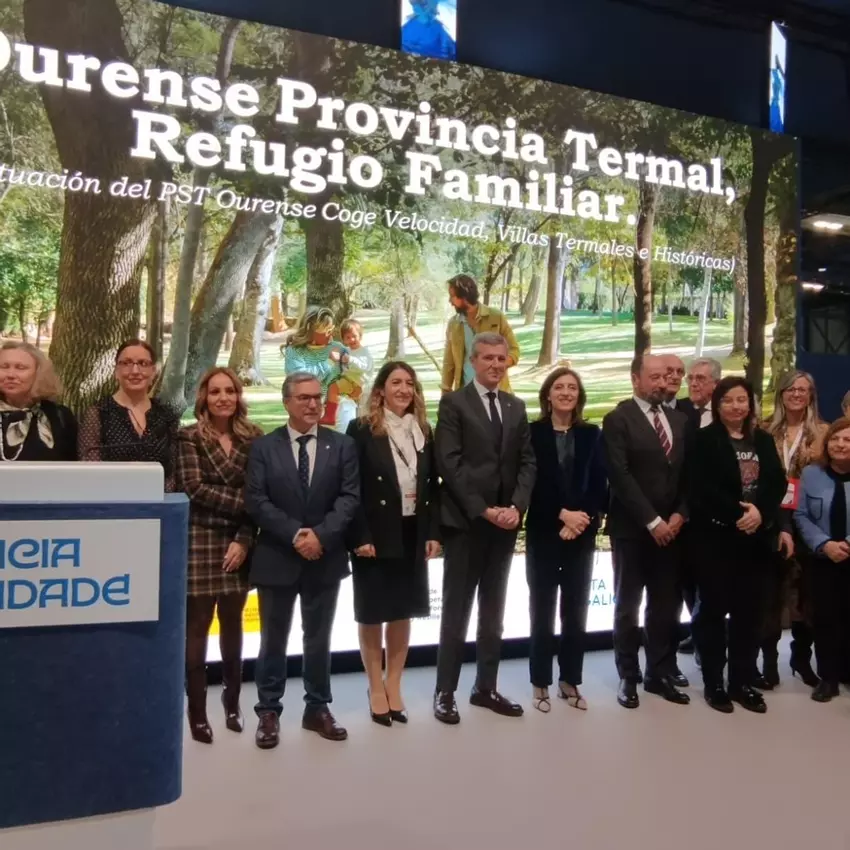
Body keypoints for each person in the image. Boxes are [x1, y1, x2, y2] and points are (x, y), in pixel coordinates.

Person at [245, 372, 359, 747]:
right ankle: (268, 711)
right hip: (278, 555)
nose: (313, 404)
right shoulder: (264, 447)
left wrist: (320, 536)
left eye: (317, 397)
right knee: (273, 640)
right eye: (304, 398)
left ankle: (317, 708)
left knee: (319, 638)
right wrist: (296, 534)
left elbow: (349, 498)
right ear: (286, 403)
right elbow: (257, 501)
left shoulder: (342, 446)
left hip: (324, 557)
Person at [433, 332, 536, 724]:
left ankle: (485, 688)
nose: (495, 364)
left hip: (504, 526)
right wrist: (483, 510)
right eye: (488, 358)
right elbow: (449, 463)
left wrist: (516, 507)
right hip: (466, 524)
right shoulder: (454, 403)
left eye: (501, 358)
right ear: (473, 361)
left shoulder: (515, 406)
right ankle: (445, 692)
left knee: (494, 612)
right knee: (456, 612)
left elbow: (527, 462)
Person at [346, 362, 441, 725]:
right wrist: (360, 536)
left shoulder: (424, 430)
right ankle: (375, 687)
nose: (404, 389)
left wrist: (433, 532)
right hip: (374, 534)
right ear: (380, 390)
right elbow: (351, 487)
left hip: (412, 531)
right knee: (373, 612)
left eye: (409, 383)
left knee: (403, 610)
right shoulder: (361, 429)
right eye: (396, 382)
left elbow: (433, 487)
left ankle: (394, 685)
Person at [174, 368, 264, 745]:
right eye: (215, 392)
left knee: (232, 624)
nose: (223, 397)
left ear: (238, 396)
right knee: (197, 627)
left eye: (230, 390)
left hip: (238, 541)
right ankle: (196, 710)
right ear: (204, 398)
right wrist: (250, 504)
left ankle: (232, 702)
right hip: (198, 538)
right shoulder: (188, 436)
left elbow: (261, 489)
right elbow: (194, 488)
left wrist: (244, 539)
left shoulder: (254, 437)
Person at [687, 377, 787, 714]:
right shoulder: (704, 440)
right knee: (713, 612)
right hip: (716, 540)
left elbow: (777, 483)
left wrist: (761, 513)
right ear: (717, 404)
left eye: (742, 399)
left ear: (750, 404)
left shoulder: (763, 440)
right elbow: (700, 488)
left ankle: (741, 682)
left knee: (749, 614)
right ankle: (714, 683)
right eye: (728, 400)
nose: (736, 406)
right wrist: (738, 514)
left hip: (755, 542)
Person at [603, 353, 689, 709]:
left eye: (665, 376)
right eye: (653, 376)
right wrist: (653, 521)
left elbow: (688, 474)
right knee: (628, 606)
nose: (661, 382)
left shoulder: (679, 420)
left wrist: (680, 515)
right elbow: (619, 476)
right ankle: (628, 675)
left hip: (673, 531)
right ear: (635, 379)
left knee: (664, 606)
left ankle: (659, 672)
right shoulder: (618, 419)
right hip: (633, 530)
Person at [526, 367, 607, 713]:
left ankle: (570, 680)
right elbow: (531, 483)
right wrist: (562, 515)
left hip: (581, 534)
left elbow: (600, 482)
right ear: (548, 394)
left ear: (579, 395)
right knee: (542, 611)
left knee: (575, 613)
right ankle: (540, 682)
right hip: (545, 532)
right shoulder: (532, 433)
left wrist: (579, 520)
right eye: (559, 387)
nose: (566, 392)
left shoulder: (592, 434)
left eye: (572, 387)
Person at [758, 370, 826, 689]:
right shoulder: (764, 430)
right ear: (781, 394)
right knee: (769, 596)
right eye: (791, 389)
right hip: (769, 521)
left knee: (806, 597)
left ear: (811, 395)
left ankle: (801, 658)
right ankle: (769, 661)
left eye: (803, 389)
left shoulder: (824, 433)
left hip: (808, 522)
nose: (797, 394)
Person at [794, 418, 850, 703]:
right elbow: (801, 514)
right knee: (825, 618)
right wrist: (824, 544)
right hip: (822, 558)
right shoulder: (811, 474)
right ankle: (828, 678)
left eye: (847, 440)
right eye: (835, 439)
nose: (840, 444)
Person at [78, 339, 178, 489]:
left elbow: (172, 471)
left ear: (153, 372)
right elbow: (90, 470)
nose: (135, 371)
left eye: (143, 363)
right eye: (126, 363)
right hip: (110, 498)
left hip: (159, 499)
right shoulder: (98, 414)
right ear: (116, 371)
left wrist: (159, 496)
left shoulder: (166, 416)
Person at [674, 356, 723, 657]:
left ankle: (712, 634)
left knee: (713, 579)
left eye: (700, 379)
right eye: (690, 378)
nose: (693, 384)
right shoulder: (678, 410)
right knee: (686, 578)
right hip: (682, 508)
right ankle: (697, 629)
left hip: (717, 512)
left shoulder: (727, 413)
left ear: (716, 384)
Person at [441, 274, 520, 395]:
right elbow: (449, 363)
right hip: (466, 396)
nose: (450, 301)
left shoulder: (496, 317)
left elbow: (514, 350)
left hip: (497, 393)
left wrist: (499, 365)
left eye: (452, 296)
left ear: (464, 296)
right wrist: (445, 392)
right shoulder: (453, 324)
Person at [0, 341, 77, 461]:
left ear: (39, 373)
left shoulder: (59, 416)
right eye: (4, 367)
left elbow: (72, 464)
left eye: (20, 368)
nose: (10, 375)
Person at [282, 306, 347, 426]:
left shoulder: (338, 347)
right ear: (311, 331)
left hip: (339, 410)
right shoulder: (295, 352)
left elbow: (356, 368)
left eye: (331, 329)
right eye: (327, 331)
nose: (331, 334)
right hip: (307, 411)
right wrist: (329, 362)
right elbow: (301, 381)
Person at [327, 319, 374, 433]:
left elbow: (364, 367)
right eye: (348, 337)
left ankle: (330, 415)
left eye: (354, 336)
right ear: (343, 339)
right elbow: (343, 366)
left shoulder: (364, 351)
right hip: (348, 382)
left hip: (358, 383)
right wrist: (336, 358)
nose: (352, 339)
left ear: (360, 336)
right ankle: (331, 413)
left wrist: (350, 360)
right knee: (331, 388)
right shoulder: (346, 351)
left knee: (333, 388)